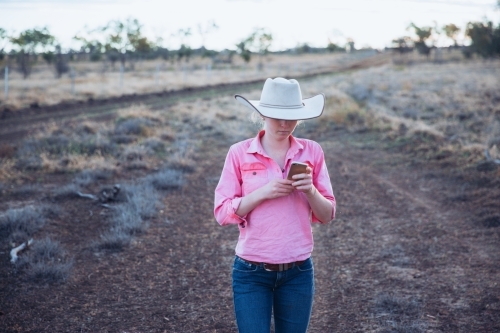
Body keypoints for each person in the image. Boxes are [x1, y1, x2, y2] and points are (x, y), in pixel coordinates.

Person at [214, 77, 336, 333]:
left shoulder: (312, 151)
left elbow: (327, 214)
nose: (284, 124)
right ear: (262, 115)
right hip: (251, 272)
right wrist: (263, 193)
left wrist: (310, 190)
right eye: (276, 116)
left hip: (299, 271)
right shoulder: (239, 152)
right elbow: (222, 212)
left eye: (291, 117)